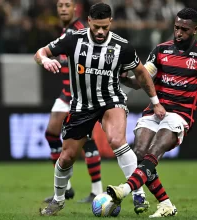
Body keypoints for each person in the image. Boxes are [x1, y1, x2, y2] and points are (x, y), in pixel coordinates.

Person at [34, 2, 166, 216]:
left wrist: (155, 101)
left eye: (105, 27)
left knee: (116, 140)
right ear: (89, 22)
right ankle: (58, 200)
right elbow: (41, 52)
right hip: (81, 106)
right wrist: (45, 60)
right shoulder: (73, 39)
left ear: (110, 22)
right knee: (66, 157)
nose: (101, 32)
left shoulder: (121, 46)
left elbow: (141, 73)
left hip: (111, 100)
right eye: (97, 27)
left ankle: (138, 193)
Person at [107, 8, 197, 218]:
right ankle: (165, 204)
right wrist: (123, 78)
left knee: (153, 152)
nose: (179, 33)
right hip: (154, 111)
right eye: (176, 27)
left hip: (180, 115)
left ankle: (124, 189)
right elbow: (141, 81)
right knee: (139, 154)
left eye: (184, 29)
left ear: (195, 30)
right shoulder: (161, 51)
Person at [43, 0, 103, 204]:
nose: (62, 9)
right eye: (60, 5)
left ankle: (96, 190)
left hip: (78, 95)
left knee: (86, 140)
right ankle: (67, 187)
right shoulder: (66, 30)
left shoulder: (80, 31)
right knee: (52, 134)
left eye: (67, 5)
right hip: (65, 92)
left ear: (75, 8)